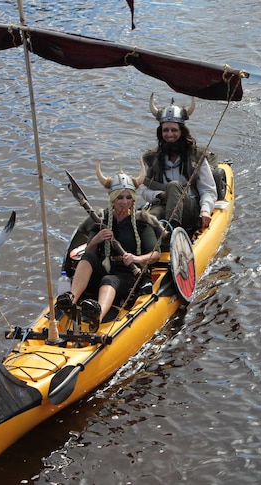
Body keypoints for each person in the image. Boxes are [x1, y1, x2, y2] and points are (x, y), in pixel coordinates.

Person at [56, 162, 162, 330]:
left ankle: (97, 316)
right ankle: (71, 299)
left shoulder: (142, 221)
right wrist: (97, 239)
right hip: (105, 266)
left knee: (109, 280)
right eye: (120, 197)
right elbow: (88, 251)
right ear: (113, 199)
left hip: (129, 274)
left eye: (128, 198)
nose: (124, 202)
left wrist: (136, 258)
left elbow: (155, 254)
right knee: (89, 256)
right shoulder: (101, 219)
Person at [140, 94, 218, 234]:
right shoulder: (152, 158)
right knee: (148, 218)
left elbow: (208, 190)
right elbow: (144, 191)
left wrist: (205, 211)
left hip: (190, 209)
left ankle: (172, 229)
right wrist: (161, 195)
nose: (170, 135)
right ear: (160, 133)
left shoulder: (197, 156)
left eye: (174, 130)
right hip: (163, 206)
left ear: (182, 132)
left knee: (174, 185)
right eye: (166, 130)